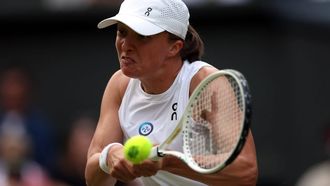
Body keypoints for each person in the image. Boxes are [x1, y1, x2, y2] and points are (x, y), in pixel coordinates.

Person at [85, 0, 258, 185]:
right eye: (122, 32)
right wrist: (109, 156)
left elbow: (246, 172)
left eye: (142, 36)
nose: (125, 45)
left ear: (174, 47)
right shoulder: (119, 84)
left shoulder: (208, 84)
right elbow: (94, 179)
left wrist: (167, 161)